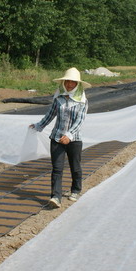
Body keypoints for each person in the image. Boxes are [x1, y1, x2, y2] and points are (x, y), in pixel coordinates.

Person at [29, 67, 89, 209]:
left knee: (75, 166)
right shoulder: (59, 98)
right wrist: (38, 125)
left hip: (74, 140)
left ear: (77, 84)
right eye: (67, 81)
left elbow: (80, 121)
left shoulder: (82, 101)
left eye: (73, 82)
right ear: (63, 82)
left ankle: (75, 190)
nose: (69, 84)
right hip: (56, 138)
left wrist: (69, 135)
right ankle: (56, 197)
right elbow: (50, 114)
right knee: (57, 168)